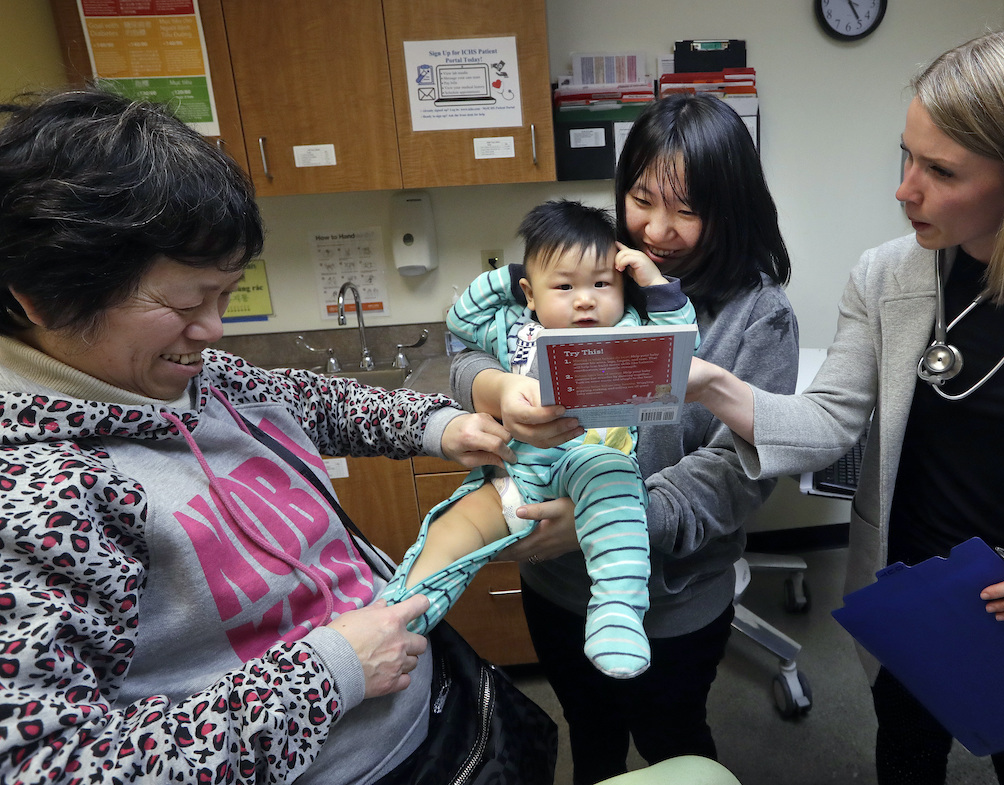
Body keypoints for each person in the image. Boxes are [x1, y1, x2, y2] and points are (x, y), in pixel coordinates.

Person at [686, 21, 1004, 785]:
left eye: (941, 171)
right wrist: (706, 381)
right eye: (906, 155)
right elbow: (830, 419)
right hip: (912, 596)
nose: (904, 189)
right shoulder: (888, 275)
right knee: (907, 751)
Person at [0, 86, 517, 784]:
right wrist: (329, 672)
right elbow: (51, 766)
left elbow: (310, 399)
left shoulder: (181, 372)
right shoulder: (36, 498)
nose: (212, 331)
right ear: (40, 296)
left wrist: (446, 427)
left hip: (437, 720)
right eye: (186, 303)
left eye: (226, 295)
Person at [449, 93, 798, 783]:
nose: (657, 228)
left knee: (674, 738)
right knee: (592, 732)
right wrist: (493, 391)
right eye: (642, 198)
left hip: (674, 593)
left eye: (687, 210)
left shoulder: (758, 316)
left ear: (729, 208)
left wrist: (603, 520)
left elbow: (737, 474)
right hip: (555, 579)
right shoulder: (593, 271)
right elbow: (468, 345)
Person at [381, 198, 696, 679]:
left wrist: (651, 283)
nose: (584, 299)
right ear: (530, 293)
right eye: (564, 285)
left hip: (590, 468)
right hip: (518, 476)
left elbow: (682, 341)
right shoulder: (516, 330)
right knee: (448, 534)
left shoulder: (632, 329)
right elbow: (461, 318)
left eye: (601, 284)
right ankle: (393, 622)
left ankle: (617, 614)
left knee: (616, 495)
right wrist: (518, 274)